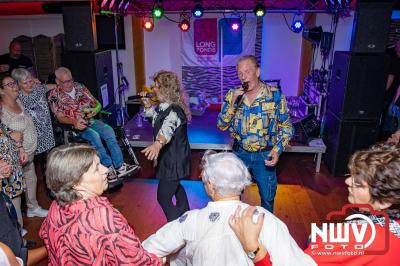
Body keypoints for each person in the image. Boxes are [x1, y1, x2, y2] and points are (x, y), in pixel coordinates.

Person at [230, 145, 400, 265]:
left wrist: (253, 247)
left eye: (359, 183)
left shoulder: (357, 238)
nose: (348, 181)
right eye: (352, 174)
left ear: (384, 201)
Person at [142, 151, 315, 265]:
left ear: (210, 185)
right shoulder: (264, 218)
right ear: (242, 184)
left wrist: (165, 259)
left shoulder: (190, 220)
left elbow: (146, 250)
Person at [39, 143, 162, 265]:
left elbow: (47, 238)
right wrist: (158, 260)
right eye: (97, 168)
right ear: (76, 183)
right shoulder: (102, 216)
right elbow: (135, 261)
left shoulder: (55, 207)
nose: (106, 170)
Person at [217, 55, 293, 213]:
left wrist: (277, 150)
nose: (243, 76)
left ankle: (265, 232)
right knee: (232, 196)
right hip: (239, 154)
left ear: (257, 72)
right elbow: (221, 125)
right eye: (240, 73)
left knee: (267, 198)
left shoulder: (275, 95)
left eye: (247, 71)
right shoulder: (233, 95)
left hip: (264, 156)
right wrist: (232, 104)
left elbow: (287, 127)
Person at [48, 67, 137, 188]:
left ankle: (119, 166)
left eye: (71, 80)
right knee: (94, 136)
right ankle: (108, 167)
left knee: (108, 130)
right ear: (58, 81)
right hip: (74, 126)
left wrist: (95, 110)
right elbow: (59, 117)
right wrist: (74, 122)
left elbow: (98, 104)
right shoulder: (54, 95)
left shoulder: (80, 86)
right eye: (65, 82)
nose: (70, 84)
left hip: (90, 120)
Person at [139, 70, 191, 222]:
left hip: (173, 160)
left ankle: (176, 228)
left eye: (156, 85)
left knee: (163, 197)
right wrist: (148, 107)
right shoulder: (163, 106)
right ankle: (186, 216)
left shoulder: (174, 111)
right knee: (176, 187)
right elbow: (157, 120)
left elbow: (167, 129)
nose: (152, 88)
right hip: (169, 158)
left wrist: (157, 143)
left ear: (164, 89)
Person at [0, 76, 48, 222]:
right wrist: (18, 146)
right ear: (1, 90)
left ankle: (32, 208)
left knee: (31, 179)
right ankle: (16, 226)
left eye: (14, 82)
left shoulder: (18, 101)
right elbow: (5, 134)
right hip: (14, 158)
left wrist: (36, 82)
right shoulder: (2, 110)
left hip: (29, 152)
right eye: (10, 84)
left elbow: (35, 91)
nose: (15, 86)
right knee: (15, 191)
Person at [12, 68, 56, 168]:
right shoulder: (17, 98)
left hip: (47, 134)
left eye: (30, 81)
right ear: (18, 84)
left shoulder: (39, 89)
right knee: (34, 166)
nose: (29, 85)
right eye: (25, 83)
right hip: (31, 138)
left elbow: (57, 86)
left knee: (49, 165)